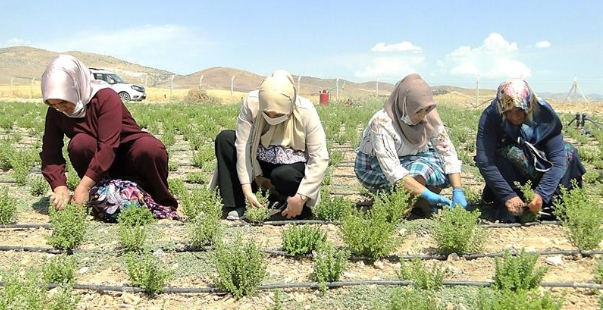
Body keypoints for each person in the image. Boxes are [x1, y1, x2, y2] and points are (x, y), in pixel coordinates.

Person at [40, 55, 178, 219]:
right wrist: (59, 186)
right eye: (54, 105)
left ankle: (156, 199)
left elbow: (108, 147)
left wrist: (82, 187)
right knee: (80, 143)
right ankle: (101, 196)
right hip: (97, 167)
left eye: (63, 103)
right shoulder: (56, 112)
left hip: (128, 156)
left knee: (150, 148)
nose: (61, 109)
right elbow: (50, 152)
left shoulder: (104, 97)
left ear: (76, 88)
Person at [213, 69, 329, 220]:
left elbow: (319, 157)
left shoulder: (305, 110)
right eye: (267, 113)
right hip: (258, 164)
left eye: (278, 115)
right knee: (226, 139)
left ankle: (290, 203)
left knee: (284, 175)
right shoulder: (252, 103)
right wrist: (246, 189)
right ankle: (237, 203)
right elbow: (243, 146)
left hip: (288, 166)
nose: (272, 118)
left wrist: (301, 197)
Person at [354, 73, 467, 214]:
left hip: (415, 156)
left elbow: (447, 152)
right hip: (375, 164)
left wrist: (458, 189)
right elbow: (393, 170)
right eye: (418, 111)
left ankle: (416, 200)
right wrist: (427, 194)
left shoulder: (429, 115)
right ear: (404, 105)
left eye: (426, 110)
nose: (422, 116)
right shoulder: (382, 123)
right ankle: (406, 202)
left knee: (443, 170)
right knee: (418, 173)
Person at [475, 79, 585, 221]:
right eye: (508, 112)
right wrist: (508, 195)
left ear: (528, 106)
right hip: (512, 173)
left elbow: (557, 161)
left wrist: (541, 194)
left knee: (568, 152)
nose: (514, 117)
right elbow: (485, 162)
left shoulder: (545, 115)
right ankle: (511, 203)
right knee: (504, 153)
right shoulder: (491, 116)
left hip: (541, 167)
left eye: (519, 111)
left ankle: (555, 204)